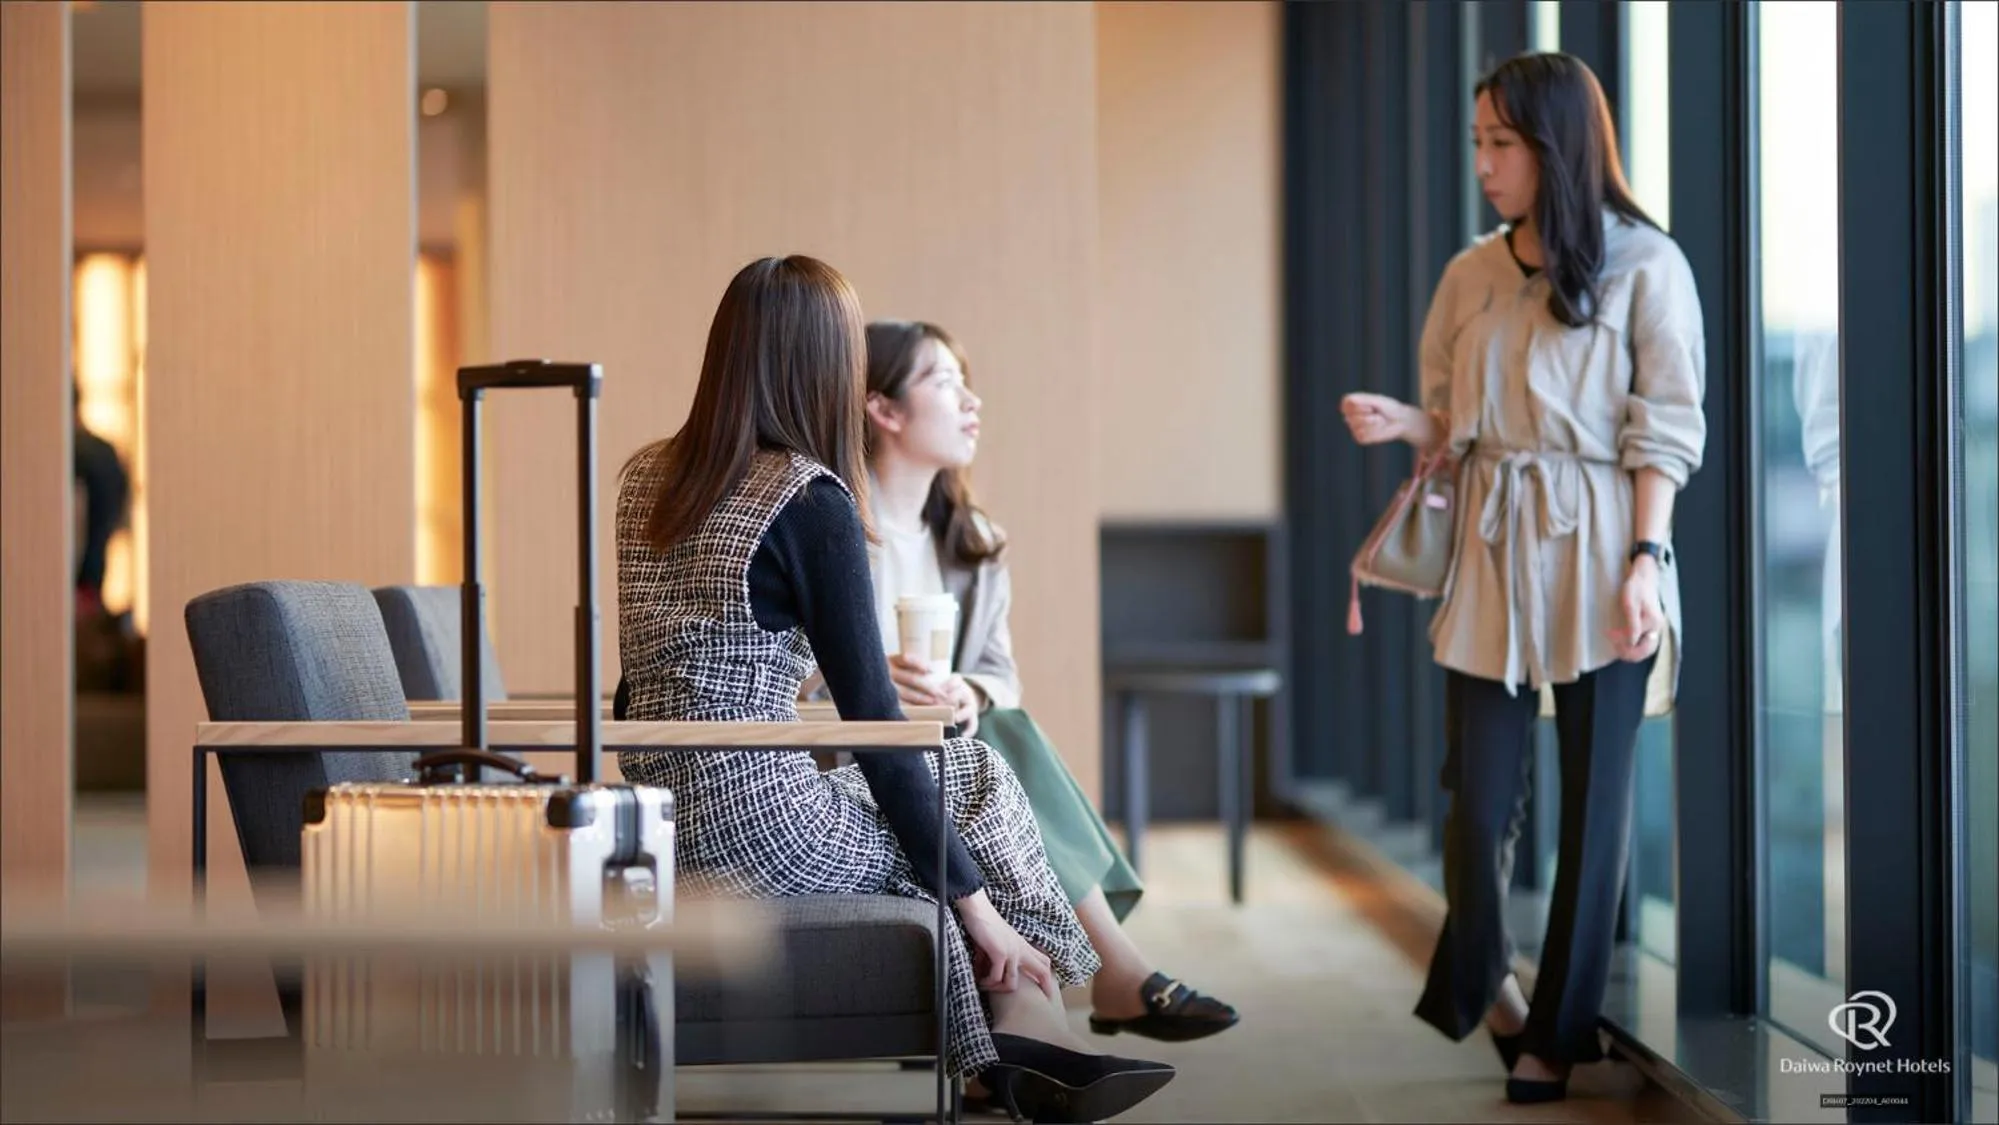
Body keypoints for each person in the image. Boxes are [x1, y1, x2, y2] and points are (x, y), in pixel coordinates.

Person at [613, 256, 1174, 1122]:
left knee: (948, 807)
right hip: (764, 829)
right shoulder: (808, 497)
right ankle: (1035, 1019)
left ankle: (1009, 1050)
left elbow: (637, 682)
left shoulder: (646, 477)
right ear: (825, 364)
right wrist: (981, 912)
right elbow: (876, 724)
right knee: (973, 778)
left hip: (659, 815)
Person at [1340, 52, 1706, 1104]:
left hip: (1605, 546)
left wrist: (1646, 560)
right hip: (1495, 550)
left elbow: (1665, 434)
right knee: (1473, 803)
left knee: (1596, 809)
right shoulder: (1470, 272)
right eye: (1476, 144)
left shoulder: (1647, 264)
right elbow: (1458, 423)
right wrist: (1408, 423)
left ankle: (1553, 1035)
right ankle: (1493, 988)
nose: (1484, 165)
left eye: (1501, 144)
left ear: (1556, 147)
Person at [849, 318, 1239, 1045]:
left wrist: (968, 691)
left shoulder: (973, 540)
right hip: (856, 763)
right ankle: (1117, 970)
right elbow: (786, 677)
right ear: (884, 408)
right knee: (1004, 737)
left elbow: (1000, 676)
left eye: (968, 382)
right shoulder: (836, 531)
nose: (972, 401)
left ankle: (1085, 993)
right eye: (944, 381)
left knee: (997, 723)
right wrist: (868, 696)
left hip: (953, 758)